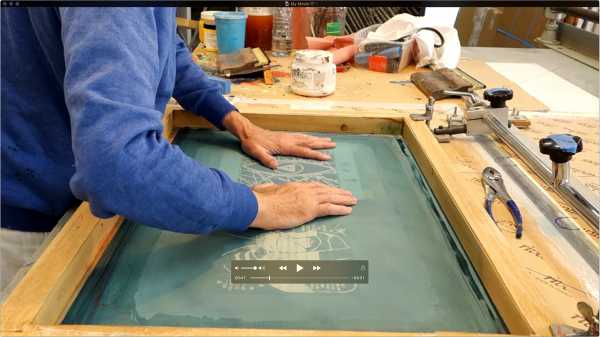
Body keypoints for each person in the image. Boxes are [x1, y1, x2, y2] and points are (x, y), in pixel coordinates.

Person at [0, 8, 357, 292]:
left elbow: (160, 42)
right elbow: (119, 161)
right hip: (39, 231)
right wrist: (259, 205)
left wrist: (234, 120)